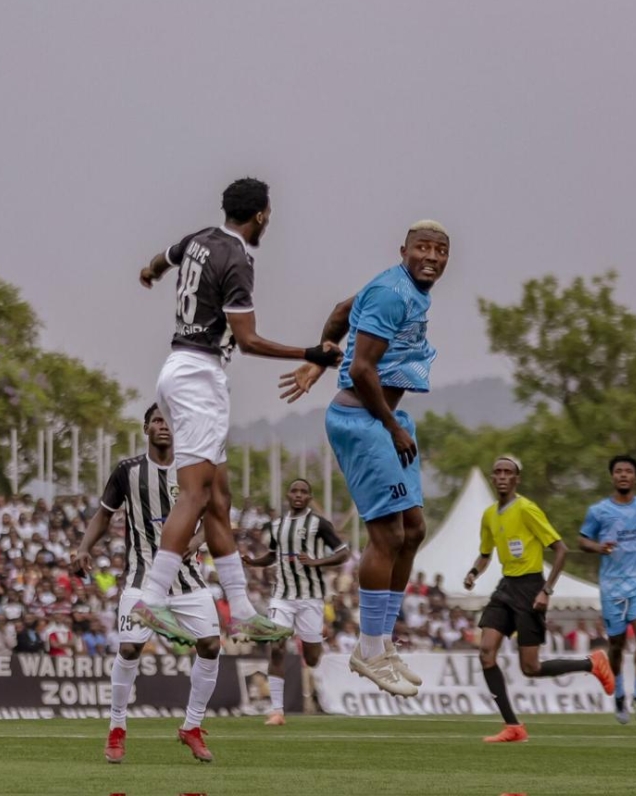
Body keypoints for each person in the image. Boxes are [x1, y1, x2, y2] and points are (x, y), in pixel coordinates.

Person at [130, 178, 342, 647]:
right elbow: (247, 340)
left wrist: (149, 272)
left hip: (181, 370)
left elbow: (163, 259)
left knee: (219, 497)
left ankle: (242, 610)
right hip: (199, 377)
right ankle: (152, 597)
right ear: (261, 215)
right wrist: (312, 352)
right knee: (196, 495)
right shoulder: (238, 259)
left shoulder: (200, 239)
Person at [279, 221, 451, 696]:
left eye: (440, 250)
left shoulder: (404, 289)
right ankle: (369, 649)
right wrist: (391, 426)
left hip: (387, 421)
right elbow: (360, 368)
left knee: (414, 529)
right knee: (388, 535)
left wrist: (318, 355)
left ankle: (381, 642)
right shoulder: (392, 293)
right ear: (404, 251)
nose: (432, 256)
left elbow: (340, 312)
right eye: (423, 247)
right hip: (364, 422)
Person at [73, 404, 221, 765]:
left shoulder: (195, 470)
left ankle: (192, 726)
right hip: (143, 577)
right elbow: (104, 515)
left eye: (169, 422)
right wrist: (82, 548)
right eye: (157, 421)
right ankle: (117, 728)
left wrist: (197, 541)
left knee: (212, 645)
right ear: (146, 428)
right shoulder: (127, 471)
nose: (164, 427)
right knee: (128, 649)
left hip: (187, 580)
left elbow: (217, 517)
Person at [464, 455, 615, 743]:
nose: (503, 476)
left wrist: (546, 590)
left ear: (517, 479)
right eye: (498, 472)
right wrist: (473, 572)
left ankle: (592, 663)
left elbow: (561, 550)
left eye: (509, 472)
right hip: (506, 587)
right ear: (493, 478)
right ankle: (513, 727)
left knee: (530, 667)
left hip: (531, 587)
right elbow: (485, 555)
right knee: (485, 653)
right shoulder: (489, 515)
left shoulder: (527, 509)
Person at [242, 478, 348, 726]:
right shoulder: (277, 525)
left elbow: (343, 552)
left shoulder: (319, 524)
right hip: (282, 596)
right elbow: (272, 555)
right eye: (294, 491)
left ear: (309, 498)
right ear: (288, 496)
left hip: (310, 598)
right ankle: (277, 711)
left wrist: (316, 562)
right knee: (277, 646)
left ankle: (316, 651)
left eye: (303, 492)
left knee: (311, 658)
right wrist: (253, 561)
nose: (298, 495)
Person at [579, 454, 636, 725]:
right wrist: (598, 547)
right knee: (616, 644)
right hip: (612, 585)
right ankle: (619, 696)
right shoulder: (599, 511)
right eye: (618, 471)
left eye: (628, 471)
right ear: (612, 477)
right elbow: (582, 541)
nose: (623, 475)